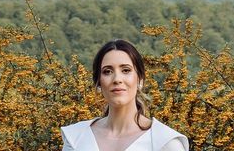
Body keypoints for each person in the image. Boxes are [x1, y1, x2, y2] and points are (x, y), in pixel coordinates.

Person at [60, 40, 188, 151]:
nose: (117, 79)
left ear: (140, 80)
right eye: (107, 71)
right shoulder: (76, 138)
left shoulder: (164, 142)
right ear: (98, 82)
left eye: (126, 70)